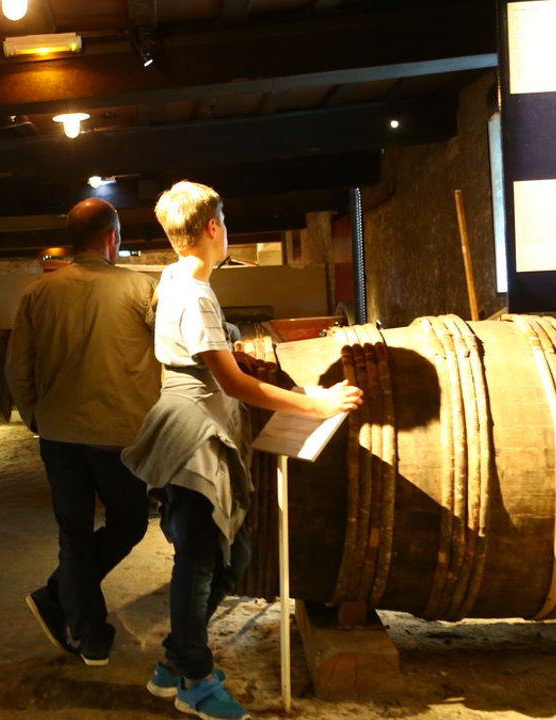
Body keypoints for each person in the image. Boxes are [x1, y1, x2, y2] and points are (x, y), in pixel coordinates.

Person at [122, 181, 362, 720]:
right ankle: (196, 680)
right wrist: (315, 403)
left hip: (200, 425)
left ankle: (173, 664)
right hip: (194, 436)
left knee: (233, 556)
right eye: (223, 223)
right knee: (201, 562)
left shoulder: (177, 276)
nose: (225, 231)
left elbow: (208, 356)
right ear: (212, 228)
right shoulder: (194, 292)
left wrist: (227, 349)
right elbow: (234, 386)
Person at [6, 197, 162, 666]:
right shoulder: (142, 289)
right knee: (129, 523)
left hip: (58, 434)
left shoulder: (38, 293)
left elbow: (17, 368)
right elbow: (177, 343)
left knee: (73, 534)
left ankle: (81, 624)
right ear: (113, 238)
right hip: (119, 433)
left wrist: (35, 416)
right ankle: (64, 604)